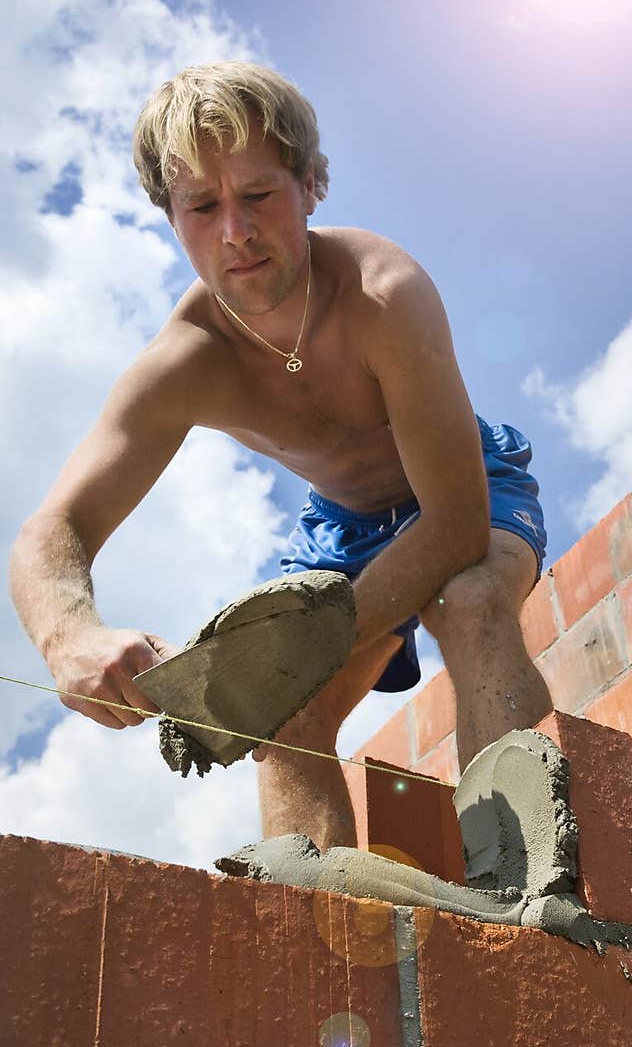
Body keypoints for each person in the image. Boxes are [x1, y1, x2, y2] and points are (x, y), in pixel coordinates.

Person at [9, 61, 552, 851]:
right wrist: (68, 635)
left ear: (309, 186)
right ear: (172, 217)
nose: (236, 231)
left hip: (465, 490)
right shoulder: (186, 362)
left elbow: (457, 525)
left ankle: (530, 878)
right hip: (341, 526)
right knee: (288, 713)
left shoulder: (382, 292)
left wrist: (283, 655)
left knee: (467, 601)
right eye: (201, 206)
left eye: (258, 195)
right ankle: (323, 925)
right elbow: (52, 527)